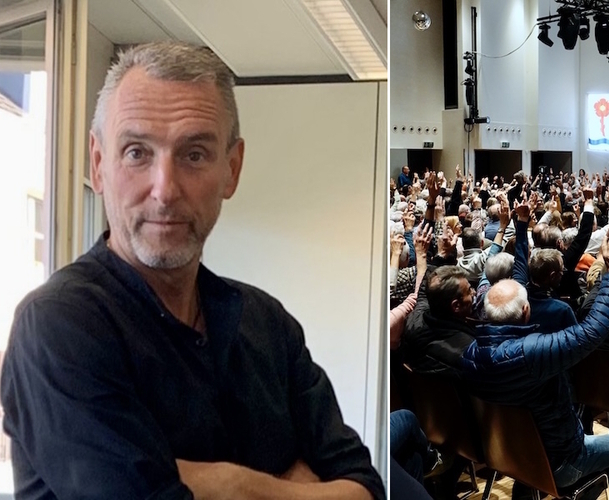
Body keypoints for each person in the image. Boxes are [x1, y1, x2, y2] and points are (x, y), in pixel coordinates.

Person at [0, 42, 383, 499]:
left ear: (232, 169)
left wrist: (229, 485)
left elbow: (365, 489)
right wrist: (294, 485)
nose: (164, 190)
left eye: (194, 154)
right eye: (137, 152)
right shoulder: (59, 326)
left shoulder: (267, 324)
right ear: (99, 164)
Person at [461, 233, 609, 500]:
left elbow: (520, 275)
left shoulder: (471, 353)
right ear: (525, 312)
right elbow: (591, 332)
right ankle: (574, 493)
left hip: (510, 453)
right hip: (558, 459)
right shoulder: (531, 353)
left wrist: (521, 228)